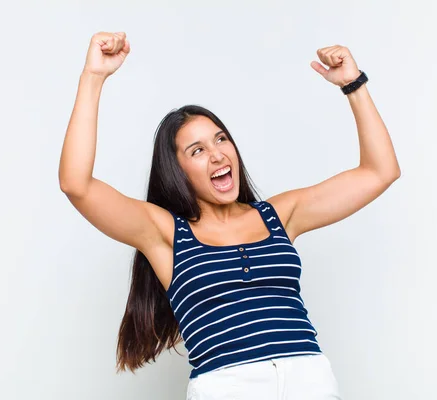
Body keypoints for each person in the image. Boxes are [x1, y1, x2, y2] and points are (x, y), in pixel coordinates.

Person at [58, 31, 400, 400]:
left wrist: (354, 84)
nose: (218, 155)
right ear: (178, 170)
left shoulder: (279, 215)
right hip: (228, 386)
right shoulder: (165, 233)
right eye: (198, 150)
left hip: (309, 379)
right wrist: (93, 77)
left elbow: (380, 171)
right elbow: (77, 185)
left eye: (221, 139)